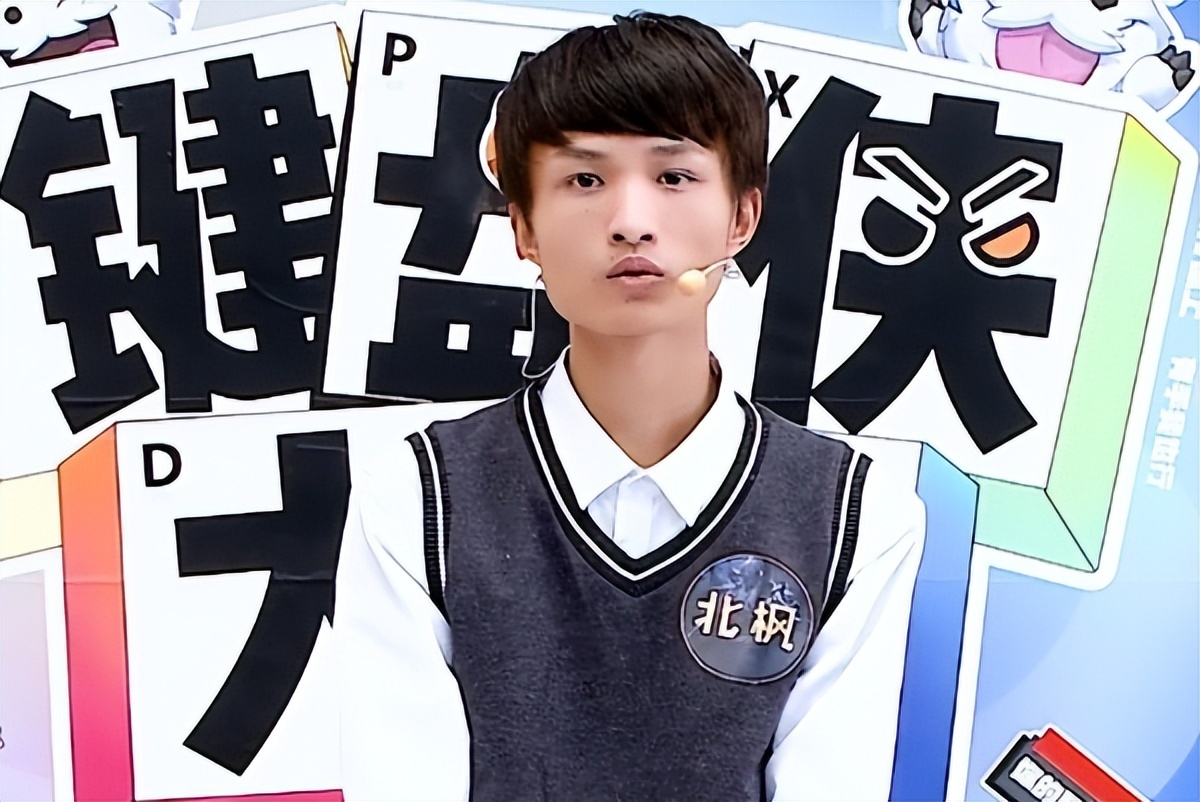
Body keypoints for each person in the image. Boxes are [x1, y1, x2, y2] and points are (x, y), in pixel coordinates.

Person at [337, 12, 926, 801]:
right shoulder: (418, 496)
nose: (631, 223)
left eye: (674, 176)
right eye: (585, 180)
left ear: (742, 217)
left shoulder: (855, 514)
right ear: (524, 229)